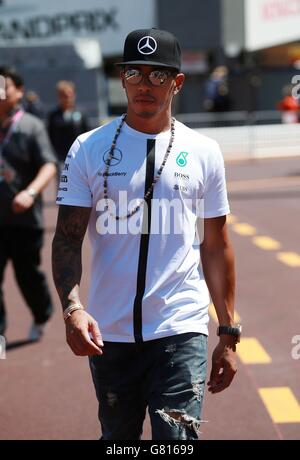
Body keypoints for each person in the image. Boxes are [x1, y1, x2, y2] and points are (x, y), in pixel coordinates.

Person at [52, 28, 239, 440]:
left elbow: (216, 244)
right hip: (109, 333)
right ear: (121, 78)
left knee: (177, 440)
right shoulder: (88, 148)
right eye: (134, 73)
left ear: (177, 81)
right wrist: (72, 309)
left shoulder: (204, 151)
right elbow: (67, 237)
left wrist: (228, 330)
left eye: (158, 75)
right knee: (117, 440)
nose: (145, 85)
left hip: (180, 327)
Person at [0, 66, 56, 341]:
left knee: (27, 276)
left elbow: (48, 164)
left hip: (23, 221)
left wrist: (31, 193)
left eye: (3, 88)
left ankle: (41, 315)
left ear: (18, 92)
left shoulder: (31, 127)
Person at [47, 80, 89, 183]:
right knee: (64, 183)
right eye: (63, 95)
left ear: (74, 95)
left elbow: (87, 133)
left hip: (80, 156)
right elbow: (50, 136)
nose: (67, 98)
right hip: (61, 157)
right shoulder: (53, 115)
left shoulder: (81, 113)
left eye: (69, 95)